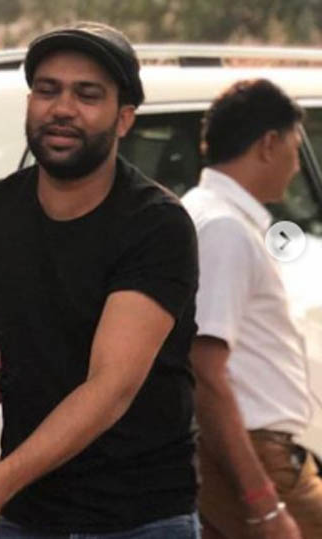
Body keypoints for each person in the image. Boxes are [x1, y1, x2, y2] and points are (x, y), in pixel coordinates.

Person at [0, 22, 200, 538]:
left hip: (139, 518)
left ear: (124, 118)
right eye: (48, 90)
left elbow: (110, 386)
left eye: (88, 95)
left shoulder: (156, 225)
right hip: (27, 511)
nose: (62, 108)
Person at [182, 79, 322, 539]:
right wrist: (262, 500)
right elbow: (206, 370)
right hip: (253, 452)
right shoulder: (224, 227)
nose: (296, 166)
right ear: (269, 144)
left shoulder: (206, 212)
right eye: (295, 149)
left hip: (241, 450)